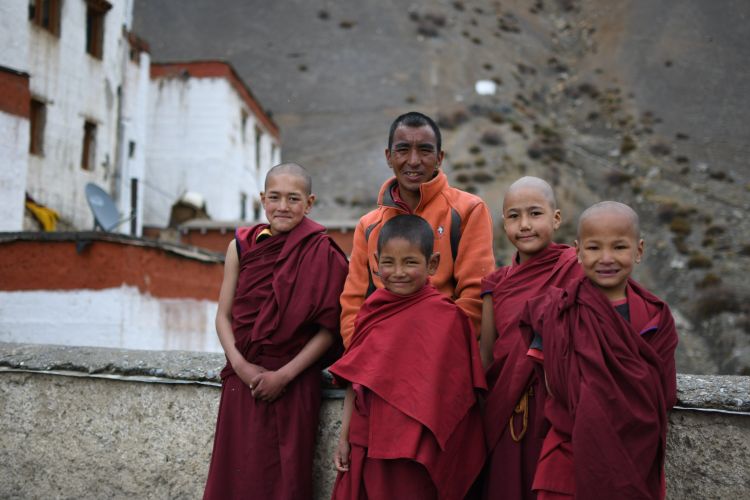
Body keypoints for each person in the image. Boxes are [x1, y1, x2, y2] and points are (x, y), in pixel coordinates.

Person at [203, 163, 349, 500]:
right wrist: (241, 367)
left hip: (294, 382)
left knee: (286, 478)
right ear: (262, 199)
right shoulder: (241, 245)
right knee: (234, 476)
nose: (283, 206)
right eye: (275, 197)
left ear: (309, 202)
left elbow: (329, 330)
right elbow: (223, 316)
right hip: (243, 380)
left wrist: (283, 376)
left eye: (293, 198)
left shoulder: (322, 252)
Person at [522, 201, 678, 499]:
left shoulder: (655, 317)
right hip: (568, 455)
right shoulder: (557, 311)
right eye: (594, 248)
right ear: (578, 251)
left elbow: (664, 394)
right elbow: (552, 384)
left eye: (619, 247)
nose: (606, 258)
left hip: (634, 458)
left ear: (639, 250)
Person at [330, 214, 487, 500]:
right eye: (388, 262)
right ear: (376, 262)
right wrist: (344, 439)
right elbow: (357, 379)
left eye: (410, 262)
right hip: (368, 441)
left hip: (419, 449)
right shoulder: (371, 311)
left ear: (433, 264)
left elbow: (458, 396)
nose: (398, 272)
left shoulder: (448, 317)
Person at [339, 111, 495, 347]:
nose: (413, 161)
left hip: (443, 350)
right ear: (389, 157)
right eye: (402, 150)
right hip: (379, 353)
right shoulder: (368, 226)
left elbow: (474, 296)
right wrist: (363, 354)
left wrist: (430, 351)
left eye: (424, 150)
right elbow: (353, 304)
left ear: (439, 157)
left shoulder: (467, 210)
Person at [479, 177, 584, 500]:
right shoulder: (494, 285)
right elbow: (487, 357)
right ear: (504, 223)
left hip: (556, 412)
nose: (524, 225)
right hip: (505, 412)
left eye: (535, 214)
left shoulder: (577, 270)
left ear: (556, 218)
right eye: (513, 216)